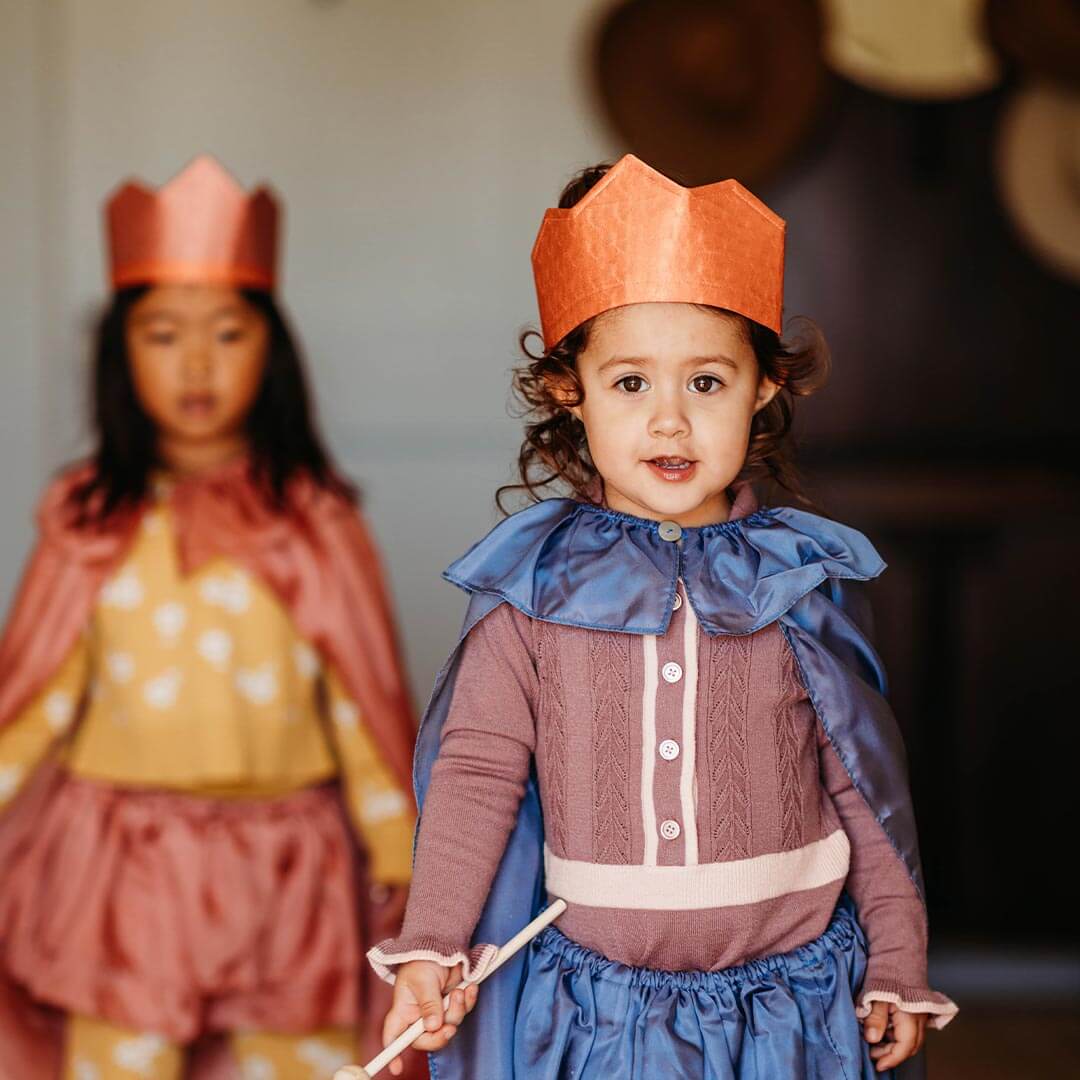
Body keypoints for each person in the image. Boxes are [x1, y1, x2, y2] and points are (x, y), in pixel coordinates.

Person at [369, 156, 957, 1079]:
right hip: (599, 1019)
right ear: (570, 390)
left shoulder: (797, 583)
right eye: (631, 383)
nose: (671, 422)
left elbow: (864, 785)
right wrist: (434, 943)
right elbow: (477, 773)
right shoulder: (533, 593)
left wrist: (896, 956)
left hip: (793, 1011)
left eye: (707, 382)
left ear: (765, 387)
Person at [0, 156, 422, 1080]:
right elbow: (33, 700)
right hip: (127, 867)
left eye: (228, 333)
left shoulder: (314, 520)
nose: (197, 364)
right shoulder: (87, 520)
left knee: (302, 1062)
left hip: (290, 866)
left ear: (273, 350)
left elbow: (363, 707)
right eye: (163, 335)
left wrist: (403, 849)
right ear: (121, 352)